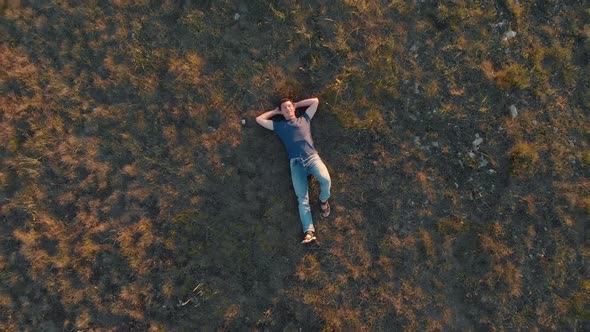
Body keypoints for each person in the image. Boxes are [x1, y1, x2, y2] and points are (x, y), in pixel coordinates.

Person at [256, 97, 332, 243]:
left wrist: (297, 103)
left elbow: (315, 101)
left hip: (312, 158)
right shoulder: (279, 126)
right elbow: (259, 119)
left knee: (326, 179)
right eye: (284, 108)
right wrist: (275, 111)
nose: (288, 109)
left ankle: (323, 200)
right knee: (302, 198)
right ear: (282, 112)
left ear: (294, 108)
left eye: (290, 107)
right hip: (296, 164)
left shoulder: (304, 119)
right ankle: (309, 231)